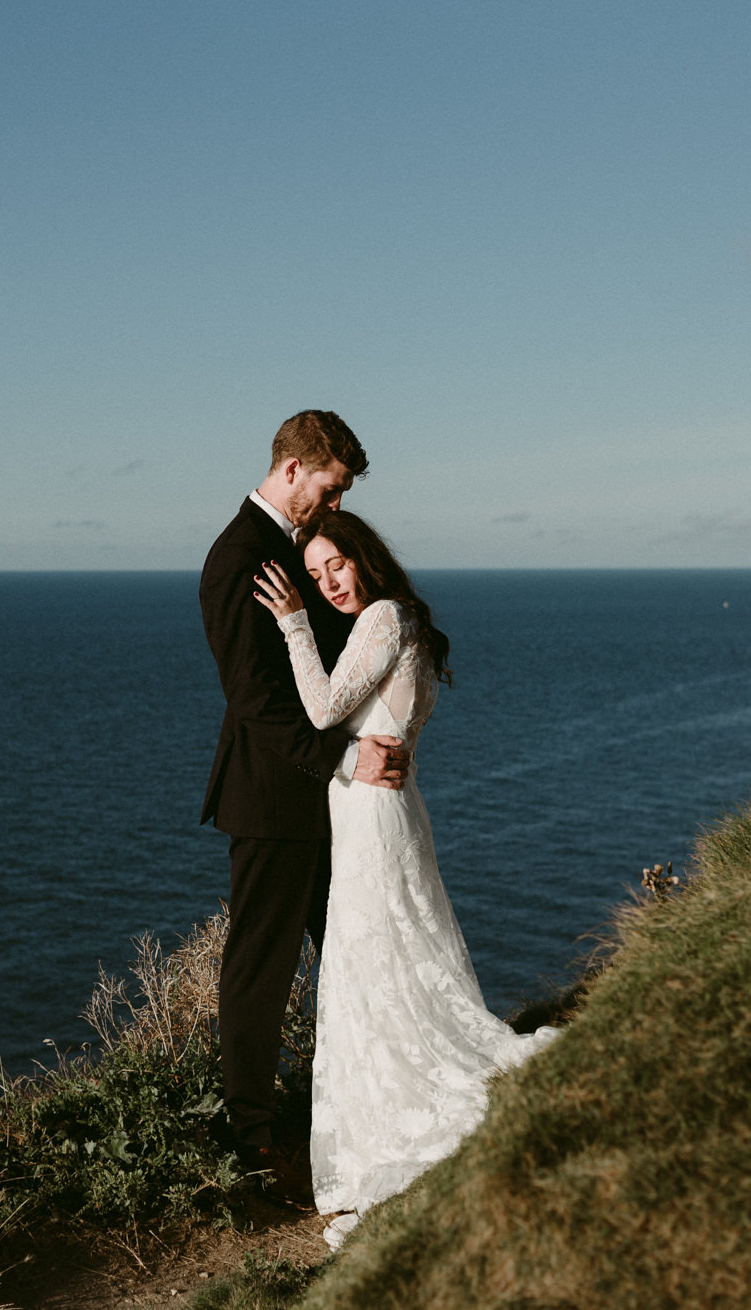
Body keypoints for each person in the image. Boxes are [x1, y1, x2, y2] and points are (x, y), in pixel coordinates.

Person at [252, 508, 559, 1249]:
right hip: (384, 811)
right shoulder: (402, 619)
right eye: (314, 576)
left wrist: (294, 625)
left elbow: (325, 707)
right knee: (384, 958)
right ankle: (389, 1100)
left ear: (365, 557)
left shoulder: (384, 616)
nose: (326, 584)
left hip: (372, 815)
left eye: (336, 566)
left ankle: (395, 1117)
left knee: (372, 962)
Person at [198, 411, 412, 1207]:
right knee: (260, 972)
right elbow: (253, 698)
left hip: (328, 800)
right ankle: (251, 1145)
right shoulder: (235, 558)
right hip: (271, 801)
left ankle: (370, 1107)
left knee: (357, 951)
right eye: (329, 489)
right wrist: (344, 756)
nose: (332, 506)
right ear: (293, 469)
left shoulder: (291, 549)